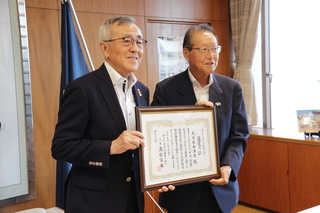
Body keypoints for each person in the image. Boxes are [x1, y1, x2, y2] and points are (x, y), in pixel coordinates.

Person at [52, 16, 149, 213]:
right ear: (105, 48)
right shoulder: (82, 88)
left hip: (133, 198)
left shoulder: (142, 90)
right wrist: (111, 147)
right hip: (93, 201)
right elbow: (61, 147)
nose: (135, 48)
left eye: (139, 41)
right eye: (127, 40)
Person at [151, 24, 249, 213]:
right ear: (186, 53)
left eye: (214, 49)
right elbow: (158, 137)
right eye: (204, 49)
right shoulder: (166, 89)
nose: (212, 55)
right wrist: (190, 118)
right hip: (182, 192)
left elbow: (239, 136)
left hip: (221, 189)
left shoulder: (231, 88)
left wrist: (228, 166)